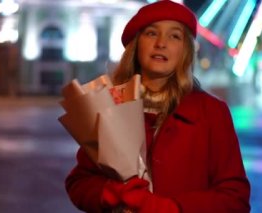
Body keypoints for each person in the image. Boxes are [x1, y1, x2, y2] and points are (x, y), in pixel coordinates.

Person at [65, 0, 251, 212]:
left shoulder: (212, 112)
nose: (161, 43)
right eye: (151, 33)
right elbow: (79, 183)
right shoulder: (109, 107)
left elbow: (235, 198)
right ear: (136, 46)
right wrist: (110, 193)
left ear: (186, 51)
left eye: (174, 36)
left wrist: (173, 208)